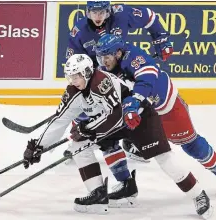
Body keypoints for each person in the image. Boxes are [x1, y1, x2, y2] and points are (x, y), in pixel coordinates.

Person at [23, 54, 213, 218]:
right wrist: (39, 146)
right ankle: (97, 194)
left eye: (76, 76)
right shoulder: (74, 91)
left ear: (88, 72)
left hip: (139, 118)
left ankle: (198, 194)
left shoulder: (101, 82)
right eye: (70, 76)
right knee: (77, 147)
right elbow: (60, 120)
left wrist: (89, 128)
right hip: (111, 123)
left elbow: (116, 116)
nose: (72, 80)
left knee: (164, 159)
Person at [66, 0, 173, 191]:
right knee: (100, 117)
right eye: (93, 12)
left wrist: (161, 39)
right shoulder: (79, 31)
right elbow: (74, 62)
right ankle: (84, 131)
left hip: (122, 71)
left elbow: (150, 17)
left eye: (102, 12)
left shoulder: (122, 13)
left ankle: (132, 144)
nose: (98, 17)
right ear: (87, 12)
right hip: (97, 75)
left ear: (109, 11)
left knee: (132, 107)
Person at [95, 33, 216, 176]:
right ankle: (134, 148)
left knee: (191, 145)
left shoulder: (134, 57)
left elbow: (147, 79)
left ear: (118, 53)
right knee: (115, 130)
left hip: (166, 107)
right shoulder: (106, 67)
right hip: (143, 110)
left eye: (107, 57)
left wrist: (135, 100)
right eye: (101, 57)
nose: (104, 61)